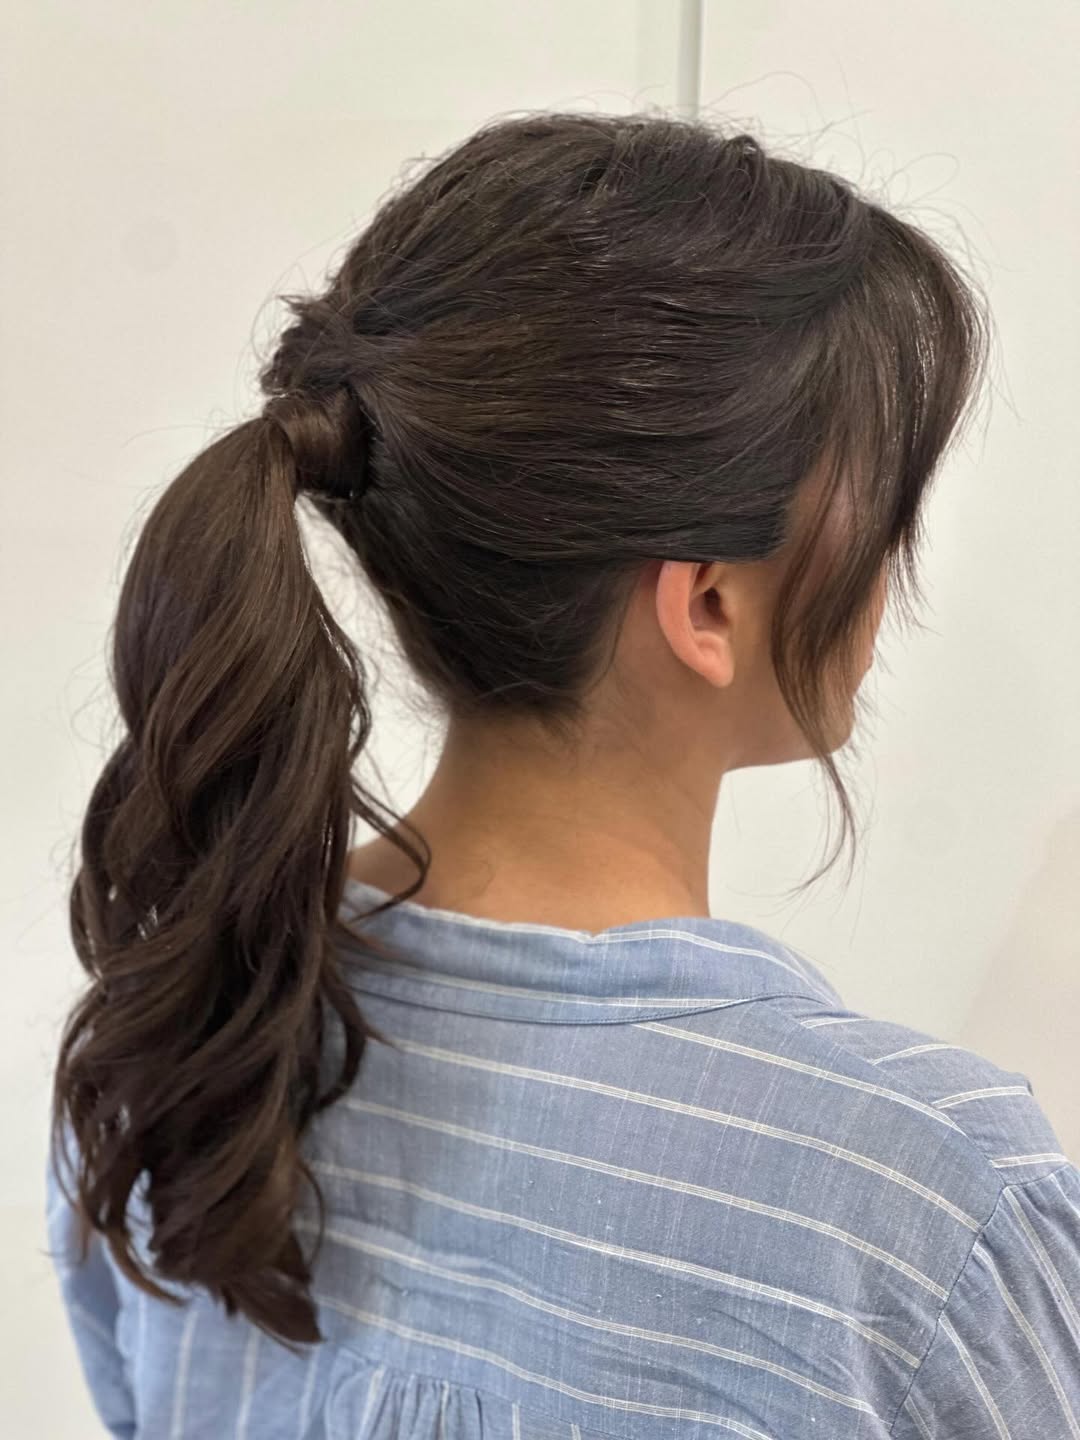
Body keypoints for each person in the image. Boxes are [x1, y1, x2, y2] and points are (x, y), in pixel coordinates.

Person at [46, 110, 1079, 1438]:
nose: (892, 570)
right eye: (884, 503)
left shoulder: (175, 1043)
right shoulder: (922, 1219)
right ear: (705, 604)